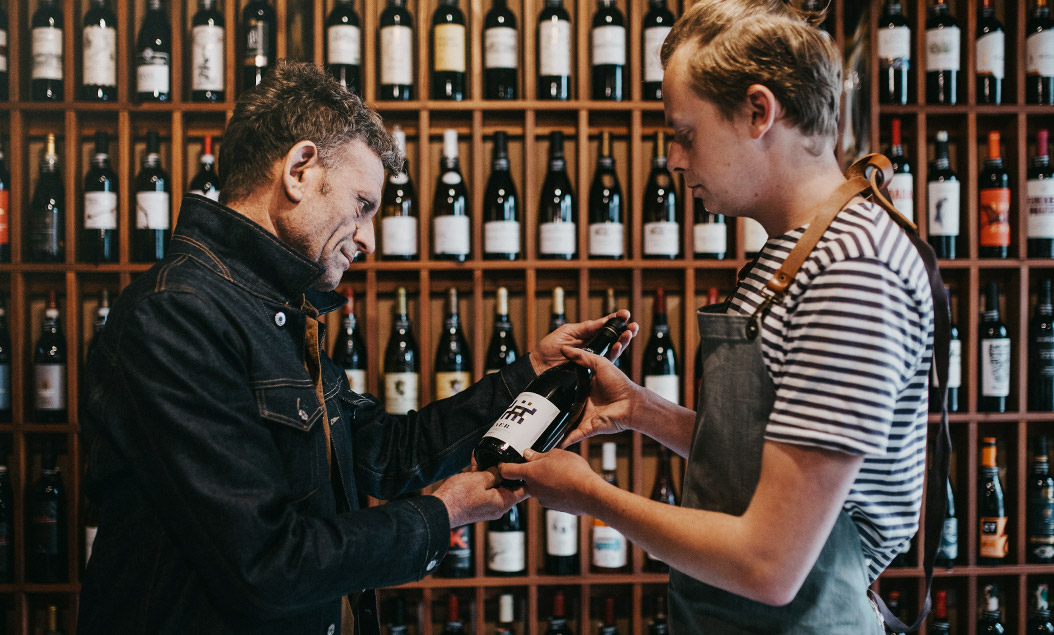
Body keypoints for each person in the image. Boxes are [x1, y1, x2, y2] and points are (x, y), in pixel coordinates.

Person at [78, 60, 635, 635]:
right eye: (364, 204)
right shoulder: (175, 315)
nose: (369, 238)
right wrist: (447, 511)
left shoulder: (278, 312)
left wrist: (529, 375)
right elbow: (265, 562)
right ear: (299, 170)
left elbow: (384, 453)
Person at [501, 2, 937, 632]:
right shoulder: (791, 252)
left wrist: (590, 495)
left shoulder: (851, 268)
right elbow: (773, 451)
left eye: (684, 134)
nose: (675, 161)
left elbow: (770, 563)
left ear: (758, 112)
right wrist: (642, 412)